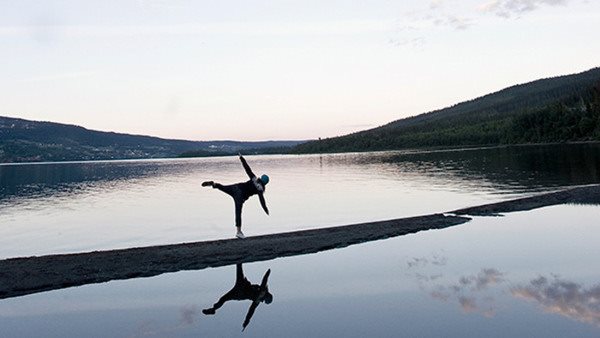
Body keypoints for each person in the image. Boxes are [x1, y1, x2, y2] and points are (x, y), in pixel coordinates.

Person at [202, 154, 269, 239]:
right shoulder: (260, 189)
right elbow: (261, 200)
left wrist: (241, 158)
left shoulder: (254, 178)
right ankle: (238, 232)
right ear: (265, 183)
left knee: (223, 187)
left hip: (236, 187)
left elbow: (247, 169)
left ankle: (214, 184)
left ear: (261, 178)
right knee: (238, 212)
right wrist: (265, 208)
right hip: (240, 196)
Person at [202, 263, 273, 331]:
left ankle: (214, 309)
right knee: (224, 298)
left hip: (241, 288)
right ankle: (213, 309)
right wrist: (246, 321)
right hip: (239, 293)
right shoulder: (258, 300)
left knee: (224, 298)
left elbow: (251, 311)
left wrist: (268, 273)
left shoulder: (260, 296)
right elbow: (251, 312)